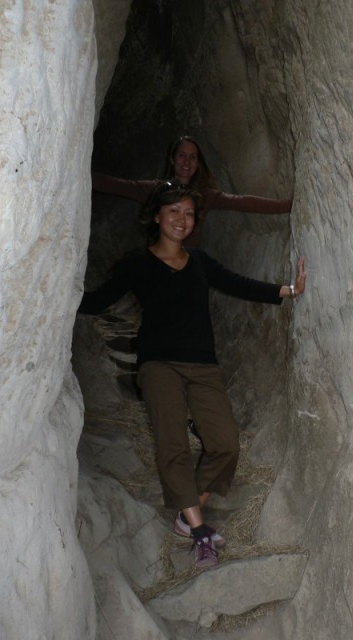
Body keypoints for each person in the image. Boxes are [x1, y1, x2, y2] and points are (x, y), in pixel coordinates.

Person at [78, 182, 306, 568]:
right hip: (158, 365)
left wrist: (288, 289)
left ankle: (186, 512)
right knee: (173, 446)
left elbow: (238, 283)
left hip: (202, 364)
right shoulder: (137, 263)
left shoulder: (200, 261)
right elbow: (98, 300)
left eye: (188, 213)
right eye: (173, 212)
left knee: (225, 443)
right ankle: (201, 532)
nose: (182, 220)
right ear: (157, 217)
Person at [92, 135, 293, 248]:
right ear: (172, 159)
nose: (187, 162)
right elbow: (118, 185)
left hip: (190, 266)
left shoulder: (206, 195)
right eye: (182, 156)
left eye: (193, 157)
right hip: (161, 265)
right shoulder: (157, 190)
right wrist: (77, 173)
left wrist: (286, 206)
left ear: (198, 163)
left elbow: (242, 202)